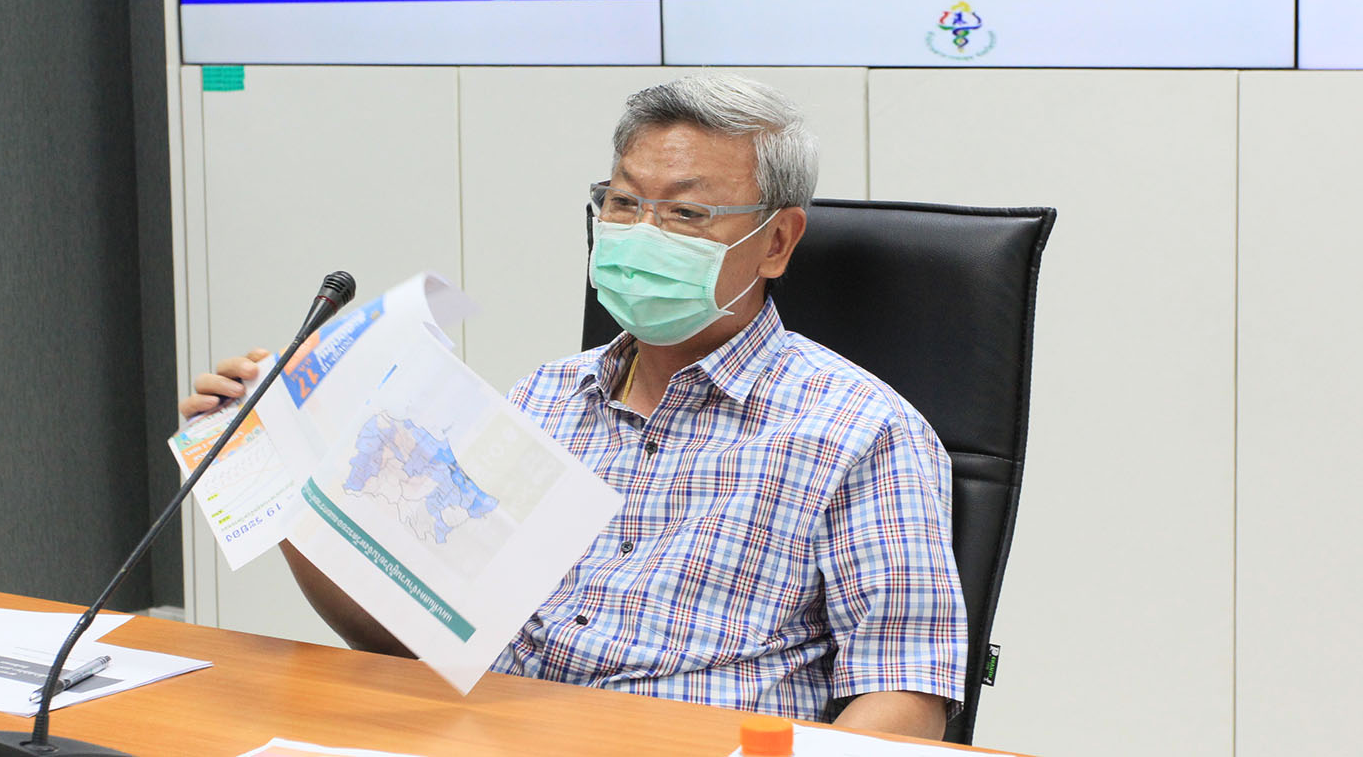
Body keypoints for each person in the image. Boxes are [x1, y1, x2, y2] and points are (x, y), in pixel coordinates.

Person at [180, 75, 967, 739]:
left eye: (685, 214)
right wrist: (283, 475)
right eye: (622, 204)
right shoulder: (543, 398)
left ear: (777, 242)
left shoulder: (862, 432)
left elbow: (907, 695)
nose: (641, 233)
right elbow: (414, 639)